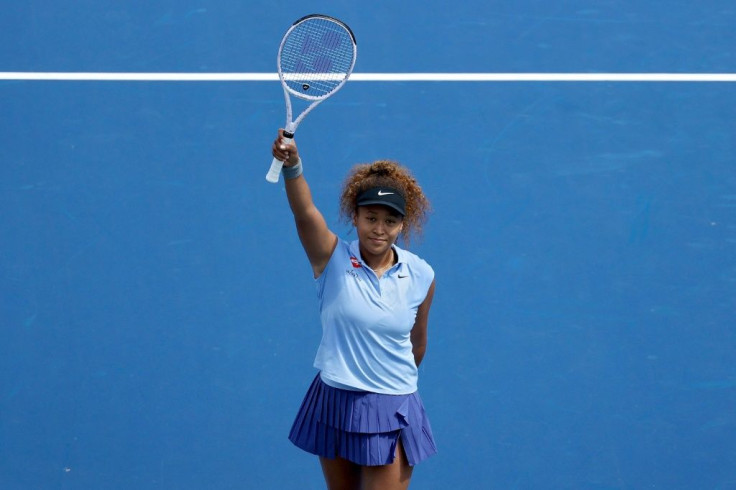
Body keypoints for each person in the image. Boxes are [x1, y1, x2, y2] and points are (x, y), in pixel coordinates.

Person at [271, 129, 437, 490]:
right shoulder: (331, 259)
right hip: (334, 399)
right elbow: (304, 212)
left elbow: (417, 345)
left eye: (390, 221)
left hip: (391, 405)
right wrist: (293, 165)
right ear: (356, 217)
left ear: (402, 225)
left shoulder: (421, 274)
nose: (379, 229)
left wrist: (384, 381)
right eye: (370, 218)